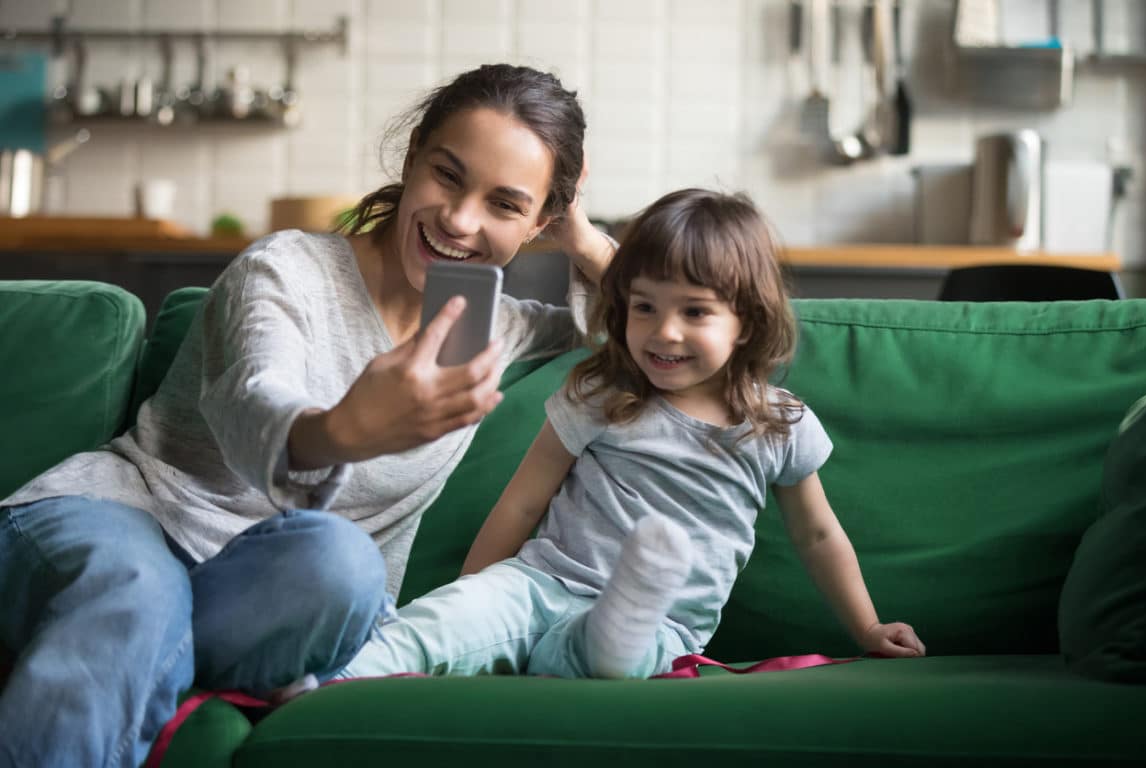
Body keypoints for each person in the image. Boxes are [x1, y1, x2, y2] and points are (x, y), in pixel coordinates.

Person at [0, 64, 613, 768]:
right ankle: (147, 661)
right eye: (448, 176)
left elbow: (650, 329)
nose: (460, 219)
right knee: (139, 592)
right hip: (127, 522)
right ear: (412, 156)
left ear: (540, 221)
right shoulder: (287, 268)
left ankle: (127, 663)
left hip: (262, 596)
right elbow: (257, 398)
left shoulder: (499, 331)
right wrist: (342, 430)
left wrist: (584, 237)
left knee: (342, 561)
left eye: (505, 205)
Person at [341, 188, 926, 681]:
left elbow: (820, 536)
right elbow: (521, 503)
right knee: (439, 623)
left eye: (695, 313)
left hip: (659, 625)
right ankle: (337, 676)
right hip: (540, 583)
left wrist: (869, 627)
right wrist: (475, 595)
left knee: (611, 649)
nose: (663, 332)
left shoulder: (776, 425)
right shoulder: (601, 393)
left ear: (746, 322)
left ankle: (623, 609)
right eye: (644, 307)